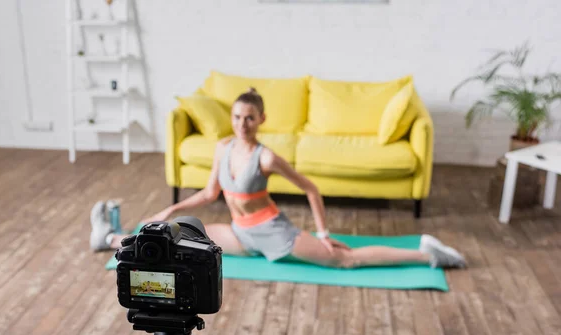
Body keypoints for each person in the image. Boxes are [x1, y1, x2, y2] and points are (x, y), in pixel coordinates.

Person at [90, 88, 466, 269]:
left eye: (250, 118)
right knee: (174, 235)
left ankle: (427, 253)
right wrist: (172, 206)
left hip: (272, 231)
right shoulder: (222, 148)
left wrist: (321, 232)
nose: (242, 124)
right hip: (239, 233)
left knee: (343, 260)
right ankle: (108, 236)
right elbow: (210, 192)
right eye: (237, 117)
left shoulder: (265, 156)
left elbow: (310, 188)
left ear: (262, 120)